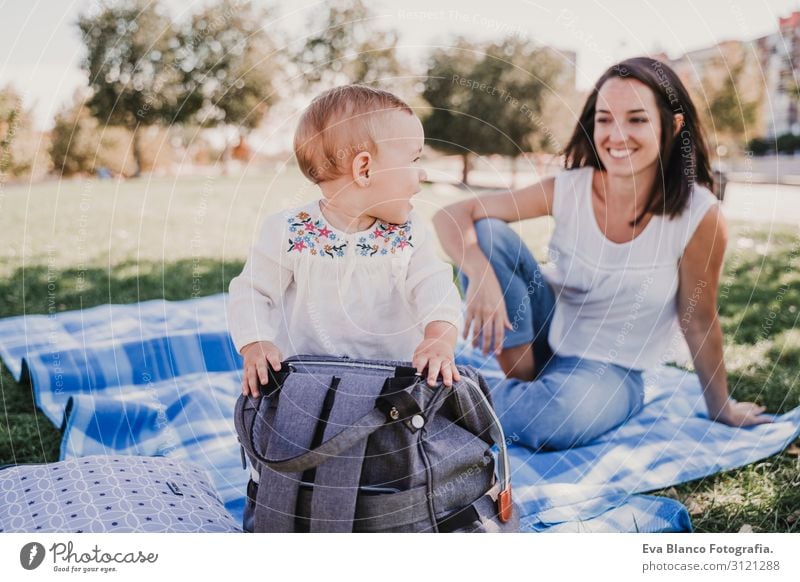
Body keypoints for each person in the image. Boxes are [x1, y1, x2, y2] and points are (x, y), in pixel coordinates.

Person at [433, 57, 772, 452]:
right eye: (605, 118)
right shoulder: (570, 188)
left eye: (637, 119)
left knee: (553, 419)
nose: (616, 134)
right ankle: (515, 382)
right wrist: (480, 274)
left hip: (612, 369)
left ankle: (438, 397)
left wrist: (720, 405)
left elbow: (697, 317)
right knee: (488, 232)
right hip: (541, 333)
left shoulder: (700, 215)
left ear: (673, 125)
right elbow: (453, 214)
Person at [227, 85, 463, 398]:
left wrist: (438, 338)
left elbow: (436, 288)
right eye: (413, 159)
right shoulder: (290, 231)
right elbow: (253, 291)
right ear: (364, 169)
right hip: (309, 388)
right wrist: (255, 343)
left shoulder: (408, 234)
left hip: (394, 388)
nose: (421, 173)